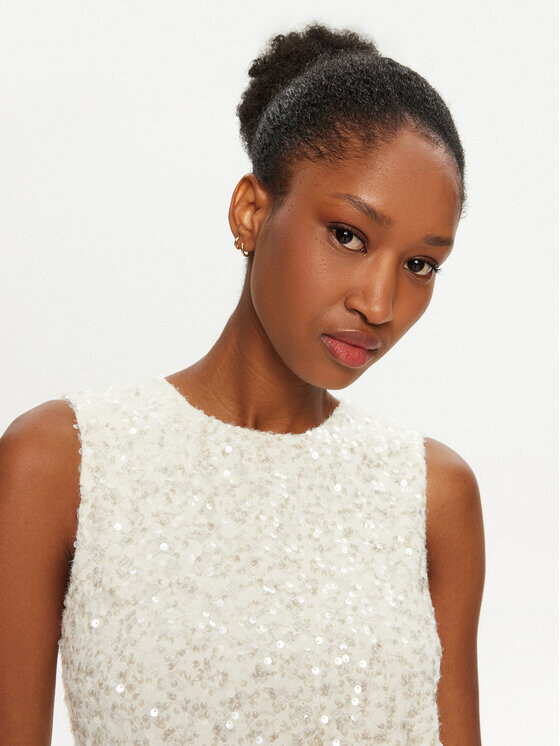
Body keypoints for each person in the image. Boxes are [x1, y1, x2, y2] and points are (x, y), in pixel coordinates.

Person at [0, 22, 485, 746]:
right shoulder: (60, 463)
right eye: (348, 235)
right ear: (252, 212)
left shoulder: (433, 494)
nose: (380, 304)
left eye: (420, 265)